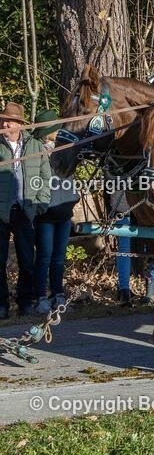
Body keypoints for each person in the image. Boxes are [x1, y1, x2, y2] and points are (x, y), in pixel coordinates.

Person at [0, 102, 51, 318]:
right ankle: (1, 304)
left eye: (8, 121)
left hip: (25, 210)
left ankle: (25, 301)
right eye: (3, 120)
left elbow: (45, 177)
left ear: (19, 124)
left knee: (27, 260)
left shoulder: (35, 146)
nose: (4, 124)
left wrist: (40, 204)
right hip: (1, 211)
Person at [32, 110, 78, 313]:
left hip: (64, 211)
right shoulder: (37, 152)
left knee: (59, 257)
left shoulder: (66, 149)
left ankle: (57, 293)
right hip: (45, 214)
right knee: (44, 256)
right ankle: (40, 296)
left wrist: (74, 197)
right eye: (55, 129)